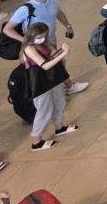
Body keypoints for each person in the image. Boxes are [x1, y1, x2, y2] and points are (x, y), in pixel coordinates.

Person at [4, 0, 88, 95]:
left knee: (58, 62)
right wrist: (25, 41)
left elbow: (58, 13)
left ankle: (58, 87)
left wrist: (68, 26)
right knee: (50, 65)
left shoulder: (52, 0)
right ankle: (67, 86)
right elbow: (7, 29)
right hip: (35, 46)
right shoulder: (25, 9)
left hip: (50, 41)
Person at [21, 22, 78, 150]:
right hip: (39, 85)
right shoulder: (28, 48)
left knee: (60, 102)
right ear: (32, 36)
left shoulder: (46, 44)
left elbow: (53, 58)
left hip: (52, 80)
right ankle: (36, 141)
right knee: (44, 110)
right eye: (39, 36)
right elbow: (45, 65)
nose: (42, 38)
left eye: (44, 36)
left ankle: (59, 127)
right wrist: (63, 54)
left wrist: (61, 52)